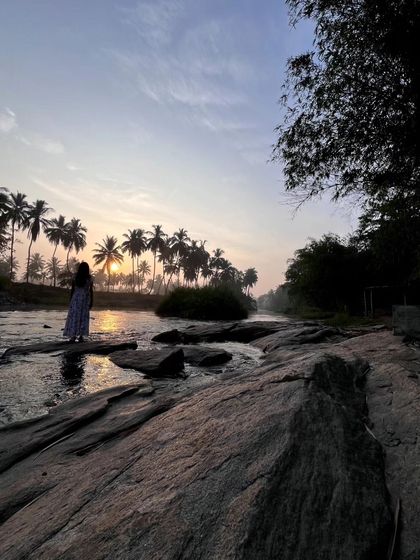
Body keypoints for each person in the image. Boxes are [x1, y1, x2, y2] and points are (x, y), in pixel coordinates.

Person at [63, 262, 93, 342]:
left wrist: (71, 300)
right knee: (83, 317)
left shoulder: (76, 276)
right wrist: (91, 302)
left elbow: (72, 290)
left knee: (74, 317)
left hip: (76, 299)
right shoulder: (89, 278)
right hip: (84, 300)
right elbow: (91, 291)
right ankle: (81, 336)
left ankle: (73, 336)